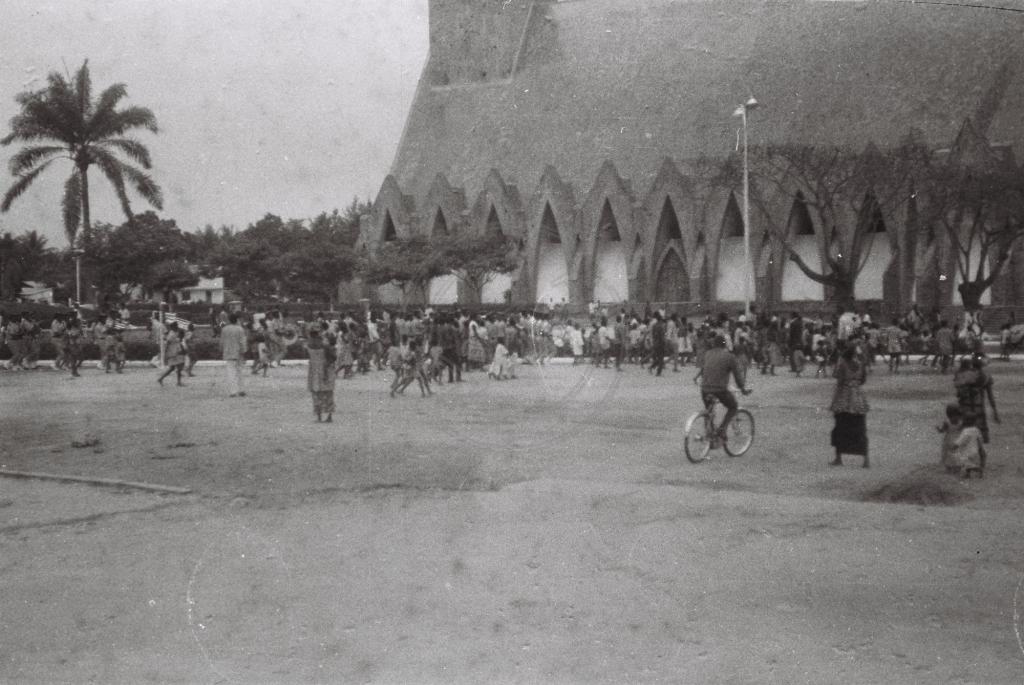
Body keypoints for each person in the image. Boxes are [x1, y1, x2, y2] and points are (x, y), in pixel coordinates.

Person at [699, 334, 751, 443]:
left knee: (709, 410)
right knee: (733, 407)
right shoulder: (729, 357)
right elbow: (738, 377)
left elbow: (704, 370)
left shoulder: (708, 354)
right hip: (719, 390)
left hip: (704, 389)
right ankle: (721, 430)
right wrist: (743, 389)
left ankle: (710, 435)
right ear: (725, 344)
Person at [829, 346, 870, 468]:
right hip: (858, 398)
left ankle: (838, 458)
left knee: (840, 427)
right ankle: (866, 460)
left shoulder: (842, 364)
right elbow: (863, 380)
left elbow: (837, 377)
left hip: (843, 397)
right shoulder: (860, 364)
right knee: (859, 428)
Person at [305, 327, 337, 423]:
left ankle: (319, 416)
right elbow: (333, 357)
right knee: (328, 392)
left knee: (316, 393)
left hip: (314, 370)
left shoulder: (309, 345)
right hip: (325, 368)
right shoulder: (324, 345)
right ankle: (329, 415)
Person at [220, 313, 247, 397]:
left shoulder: (224, 329)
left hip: (228, 352)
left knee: (231, 372)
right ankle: (241, 389)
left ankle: (233, 391)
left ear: (229, 320)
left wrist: (221, 350)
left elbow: (222, 342)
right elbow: (243, 342)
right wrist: (244, 351)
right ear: (237, 320)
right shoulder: (240, 329)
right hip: (238, 352)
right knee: (240, 371)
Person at [953, 413, 985, 478]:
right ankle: (968, 474)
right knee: (969, 463)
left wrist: (955, 445)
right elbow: (980, 439)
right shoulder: (976, 430)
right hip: (975, 451)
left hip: (967, 452)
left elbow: (961, 440)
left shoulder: (965, 431)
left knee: (964, 461)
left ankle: (978, 469)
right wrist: (981, 448)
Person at [157, 322, 186, 386]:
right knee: (178, 366)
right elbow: (167, 343)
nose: (177, 327)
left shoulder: (175, 333)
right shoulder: (171, 334)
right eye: (176, 326)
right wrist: (166, 353)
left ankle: (161, 379)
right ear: (173, 327)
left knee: (173, 367)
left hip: (177, 351)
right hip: (173, 352)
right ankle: (178, 382)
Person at [937, 403, 963, 474]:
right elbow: (943, 430)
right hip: (953, 440)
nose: (957, 417)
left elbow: (942, 430)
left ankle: (955, 467)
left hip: (952, 439)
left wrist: (939, 429)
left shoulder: (949, 422)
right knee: (952, 453)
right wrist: (939, 429)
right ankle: (951, 467)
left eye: (958, 415)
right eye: (956, 415)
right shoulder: (957, 422)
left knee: (953, 453)